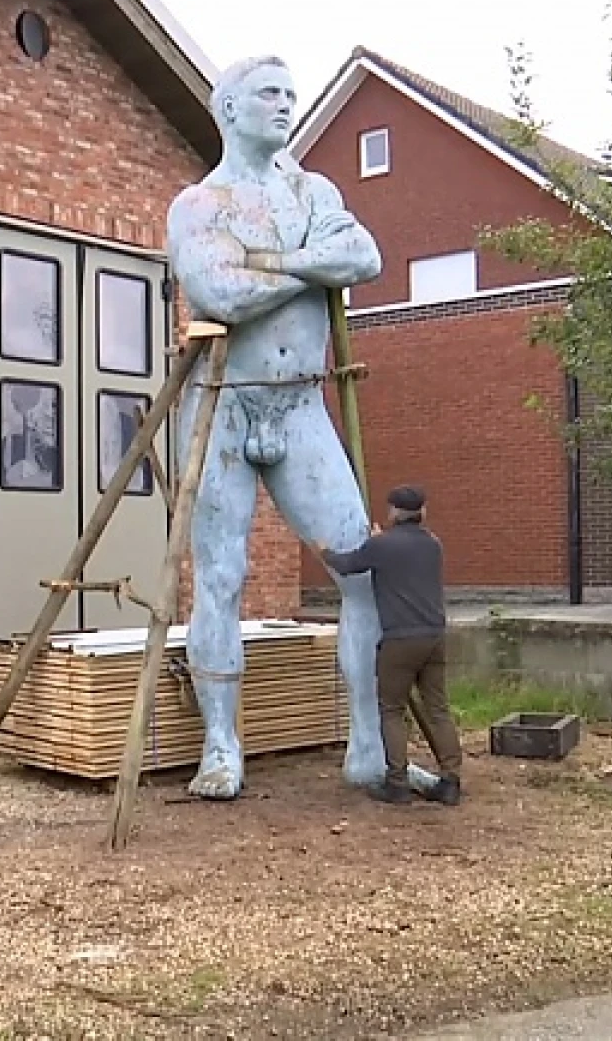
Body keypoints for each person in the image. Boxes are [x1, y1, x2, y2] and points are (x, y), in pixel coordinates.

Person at [164, 54, 441, 803]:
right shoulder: (199, 203)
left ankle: (365, 748)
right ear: (229, 109)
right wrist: (312, 269)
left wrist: (271, 262)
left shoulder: (313, 190)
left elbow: (365, 255)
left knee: (360, 570)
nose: (285, 105)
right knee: (219, 578)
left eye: (291, 93)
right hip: (224, 400)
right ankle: (221, 747)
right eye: (268, 94)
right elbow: (217, 289)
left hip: (301, 402)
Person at [319, 486, 463, 806]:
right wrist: (378, 541)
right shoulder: (433, 544)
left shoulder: (381, 546)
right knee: (438, 708)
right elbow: (400, 559)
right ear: (422, 512)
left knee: (391, 709)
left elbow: (348, 564)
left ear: (394, 512)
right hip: (435, 636)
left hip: (400, 640)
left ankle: (396, 782)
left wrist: (324, 551)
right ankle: (451, 780)